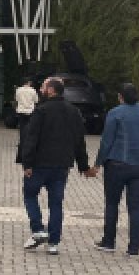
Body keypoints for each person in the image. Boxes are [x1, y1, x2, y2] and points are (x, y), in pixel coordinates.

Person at [19, 77, 92, 255]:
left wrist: (27, 163)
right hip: (62, 166)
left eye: (43, 86)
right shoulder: (73, 111)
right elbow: (79, 140)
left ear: (51, 90)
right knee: (56, 203)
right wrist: (83, 165)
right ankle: (53, 243)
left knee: (30, 194)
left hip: (39, 164)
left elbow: (31, 138)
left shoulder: (41, 111)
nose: (41, 89)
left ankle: (38, 229)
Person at [93, 83, 139, 256]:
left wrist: (98, 163)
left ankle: (109, 242)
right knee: (135, 207)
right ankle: (134, 247)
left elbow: (107, 141)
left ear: (120, 96)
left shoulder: (115, 113)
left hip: (117, 164)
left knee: (112, 203)